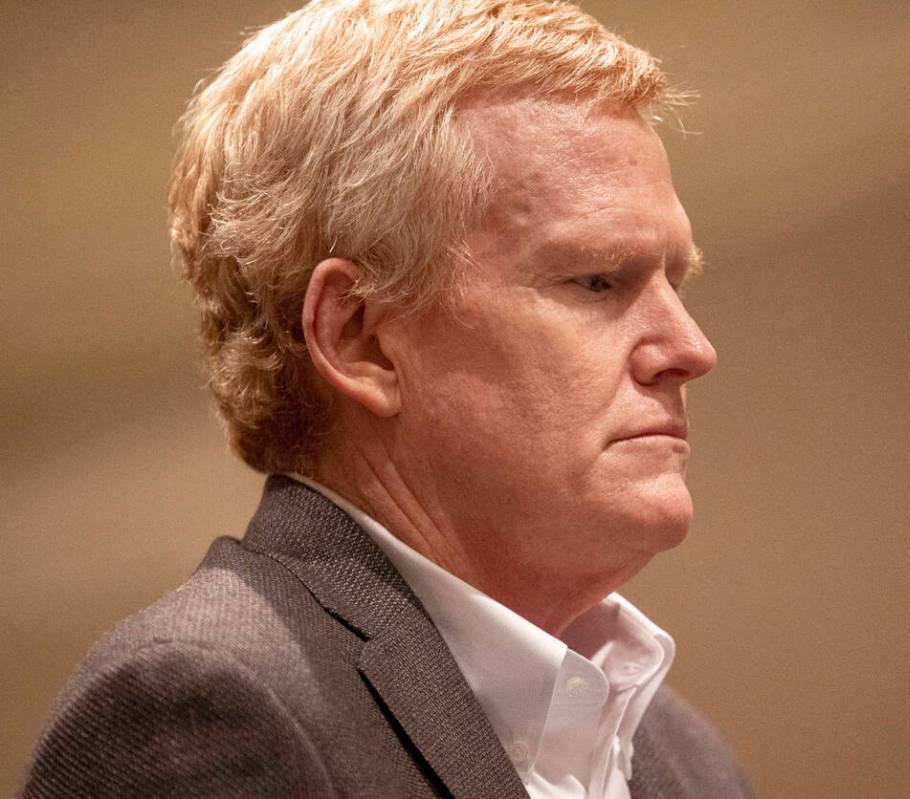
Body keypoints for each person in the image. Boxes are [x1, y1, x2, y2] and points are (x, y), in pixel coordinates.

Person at [21, 1, 751, 797]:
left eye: (677, 282)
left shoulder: (689, 763)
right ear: (361, 338)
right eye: (597, 280)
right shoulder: (202, 712)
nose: (690, 349)